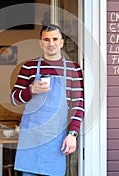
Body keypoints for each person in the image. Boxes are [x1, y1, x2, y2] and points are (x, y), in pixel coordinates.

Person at [11, 24, 84, 176]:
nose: (51, 43)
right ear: (40, 43)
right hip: (32, 138)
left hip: (56, 139)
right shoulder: (29, 67)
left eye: (55, 39)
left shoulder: (73, 69)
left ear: (62, 42)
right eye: (46, 39)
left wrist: (73, 134)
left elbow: (78, 105)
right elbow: (14, 99)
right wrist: (31, 90)